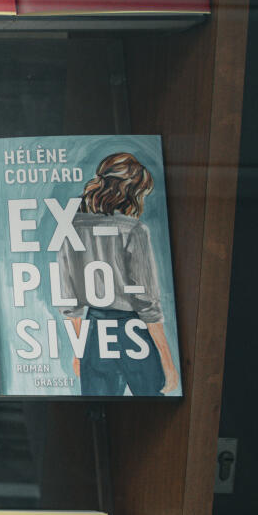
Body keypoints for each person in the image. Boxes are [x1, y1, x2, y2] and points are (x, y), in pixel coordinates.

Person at [58, 152, 180, 396]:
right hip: (132, 331)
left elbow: (69, 301)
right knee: (152, 409)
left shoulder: (69, 227)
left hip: (94, 333)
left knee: (97, 411)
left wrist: (79, 351)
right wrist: (167, 362)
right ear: (130, 193)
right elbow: (147, 302)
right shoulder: (134, 229)